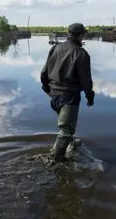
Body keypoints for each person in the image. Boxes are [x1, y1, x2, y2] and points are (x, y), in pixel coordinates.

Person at [40, 23, 95, 162]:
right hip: (69, 97)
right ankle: (55, 160)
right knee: (66, 130)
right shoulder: (81, 53)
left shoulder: (55, 47)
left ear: (68, 33)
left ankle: (70, 144)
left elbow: (44, 72)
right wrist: (90, 97)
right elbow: (86, 80)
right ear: (81, 35)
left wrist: (47, 89)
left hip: (54, 96)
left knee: (65, 126)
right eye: (84, 34)